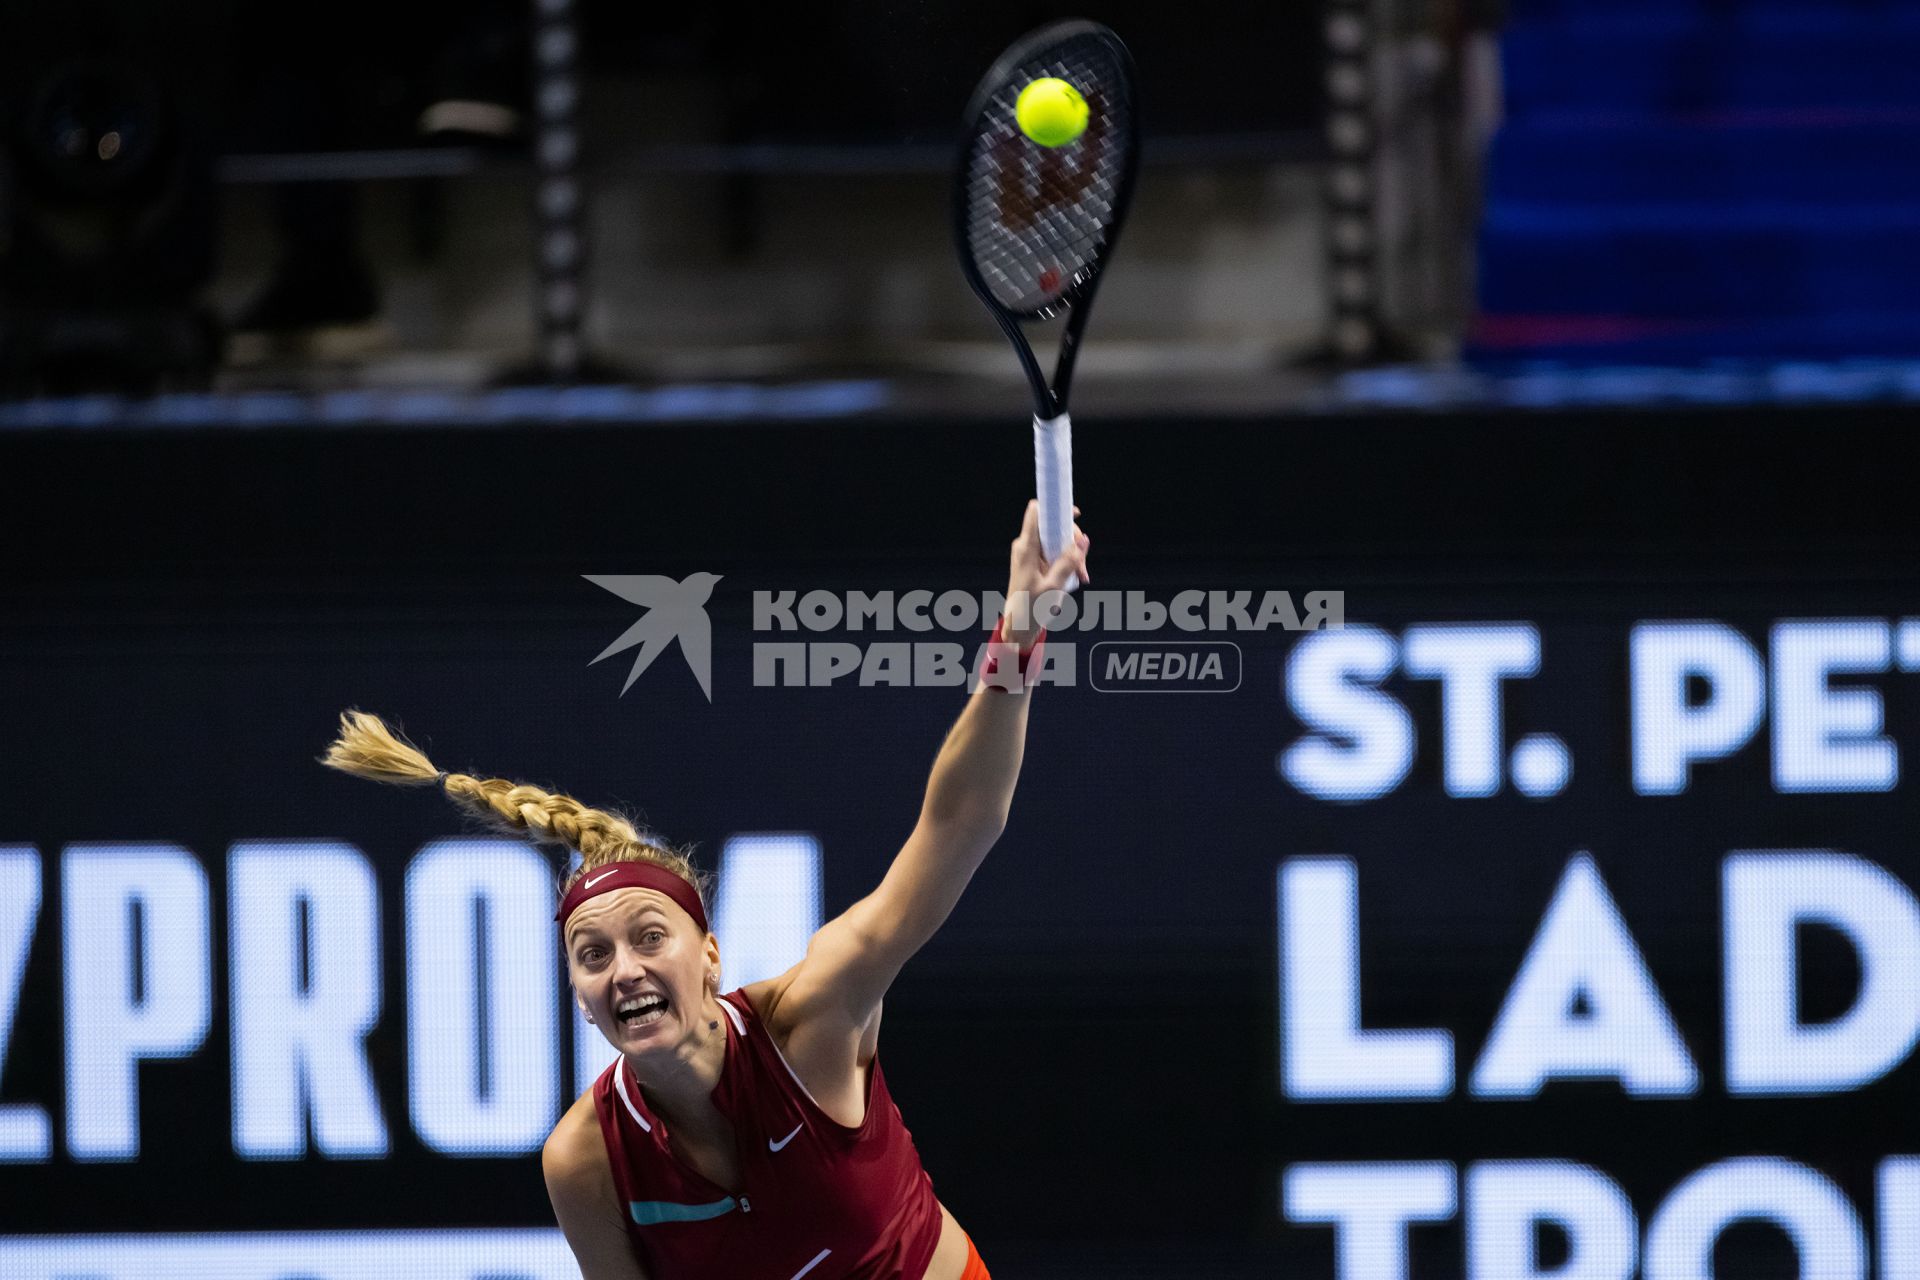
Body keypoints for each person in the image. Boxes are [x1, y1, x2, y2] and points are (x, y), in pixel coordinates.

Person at [321, 500, 1090, 1280]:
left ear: (711, 957)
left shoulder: (815, 1018)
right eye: (592, 955)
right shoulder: (585, 1160)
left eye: (650, 937)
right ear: (580, 997)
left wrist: (1018, 634)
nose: (624, 969)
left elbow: (962, 822)